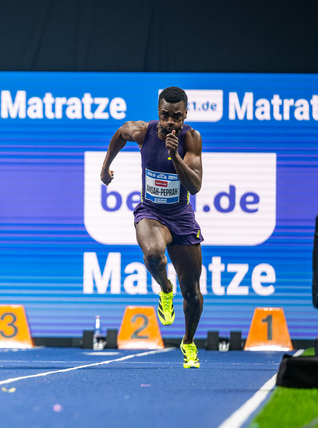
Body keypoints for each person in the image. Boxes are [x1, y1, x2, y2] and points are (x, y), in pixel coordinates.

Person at [99, 86, 204, 368]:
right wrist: (105, 166)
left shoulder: (191, 138)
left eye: (177, 117)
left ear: (185, 115)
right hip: (151, 211)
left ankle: (188, 342)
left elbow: (195, 186)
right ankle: (165, 289)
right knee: (154, 255)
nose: (171, 122)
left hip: (181, 216)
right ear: (159, 112)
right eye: (165, 115)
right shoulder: (143, 132)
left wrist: (175, 156)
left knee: (192, 292)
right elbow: (121, 132)